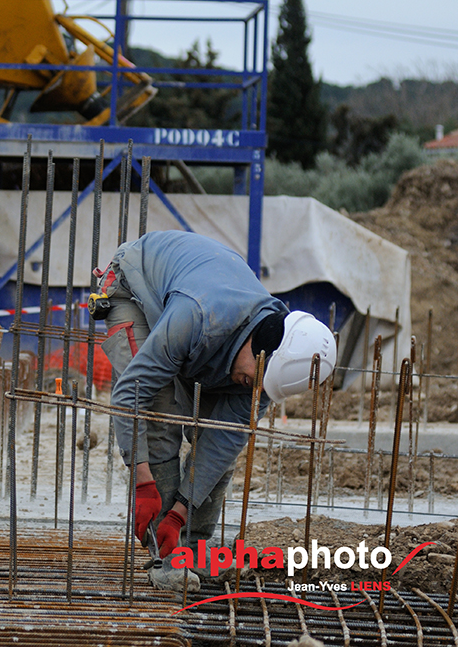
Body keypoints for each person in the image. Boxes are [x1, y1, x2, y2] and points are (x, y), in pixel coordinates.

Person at [97, 230, 335, 589]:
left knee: (218, 439)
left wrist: (179, 512)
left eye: (261, 387)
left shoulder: (272, 369)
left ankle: (191, 545)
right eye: (253, 379)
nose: (251, 388)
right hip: (136, 287)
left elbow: (222, 443)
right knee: (160, 412)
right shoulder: (197, 319)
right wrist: (144, 481)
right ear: (257, 349)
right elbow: (131, 394)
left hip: (198, 312)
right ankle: (166, 558)